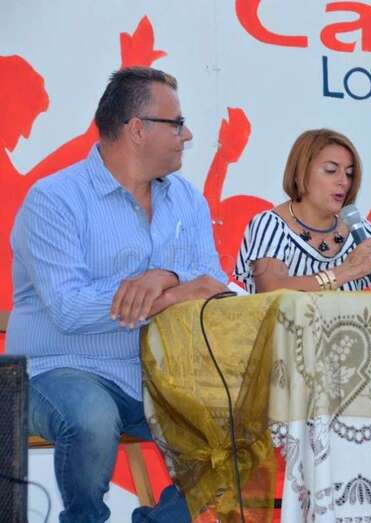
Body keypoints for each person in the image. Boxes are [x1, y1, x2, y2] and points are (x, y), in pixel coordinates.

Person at [6, 67, 227, 523]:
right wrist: (166, 296)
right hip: (56, 371)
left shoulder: (188, 200)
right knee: (91, 417)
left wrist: (163, 274)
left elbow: (212, 286)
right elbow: (68, 308)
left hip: (153, 375)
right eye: (177, 124)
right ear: (137, 129)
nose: (188, 135)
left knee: (234, 420)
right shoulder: (54, 199)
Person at [234, 128, 371, 293]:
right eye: (331, 170)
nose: (343, 181)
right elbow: (271, 289)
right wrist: (347, 271)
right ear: (300, 172)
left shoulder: (358, 228)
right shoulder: (270, 224)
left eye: (350, 173)